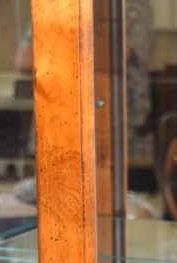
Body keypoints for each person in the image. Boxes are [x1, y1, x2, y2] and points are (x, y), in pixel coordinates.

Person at [15, 0, 153, 161]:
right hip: (58, 128)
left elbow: (110, 55)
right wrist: (78, 51)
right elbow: (23, 61)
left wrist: (55, 48)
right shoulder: (51, 5)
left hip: (113, 135)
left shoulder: (129, 5)